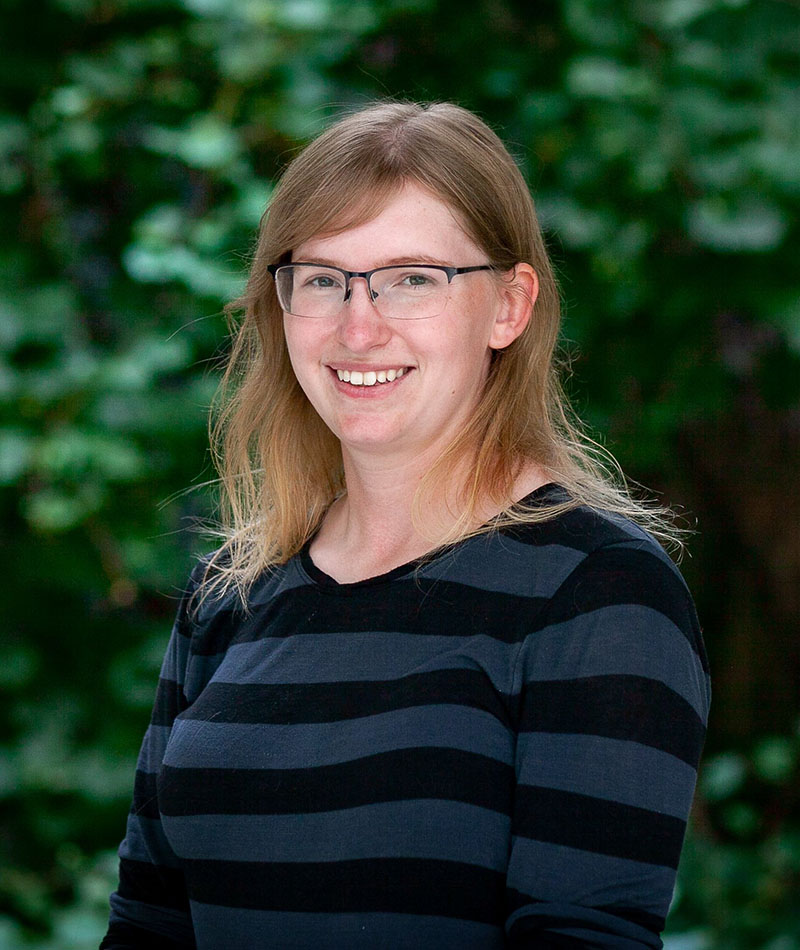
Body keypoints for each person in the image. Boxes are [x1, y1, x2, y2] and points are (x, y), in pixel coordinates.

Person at [101, 101, 710, 950]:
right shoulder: (229, 597)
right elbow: (147, 926)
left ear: (509, 306)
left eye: (411, 278)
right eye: (322, 279)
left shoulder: (597, 594)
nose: (359, 326)